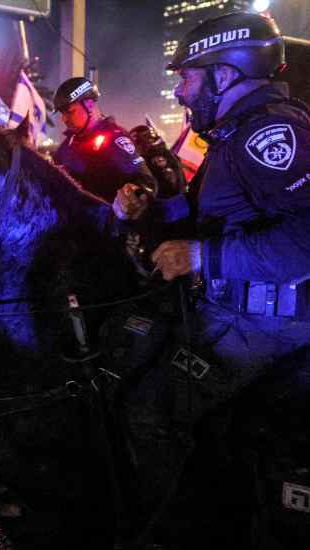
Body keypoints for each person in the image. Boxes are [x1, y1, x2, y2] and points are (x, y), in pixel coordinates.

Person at [113, 11, 310, 541]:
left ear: (224, 75)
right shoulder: (233, 135)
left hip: (264, 328)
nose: (179, 93)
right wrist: (157, 205)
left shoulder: (268, 133)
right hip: (232, 315)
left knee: (148, 409)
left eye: (187, 77)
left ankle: (182, 532)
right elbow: (204, 226)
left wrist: (205, 259)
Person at [52, 77, 158, 202]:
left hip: (107, 219)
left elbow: (146, 183)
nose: (64, 119)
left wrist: (133, 194)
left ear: (89, 104)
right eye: (62, 114)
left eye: (69, 112)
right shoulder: (67, 146)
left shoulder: (115, 139)